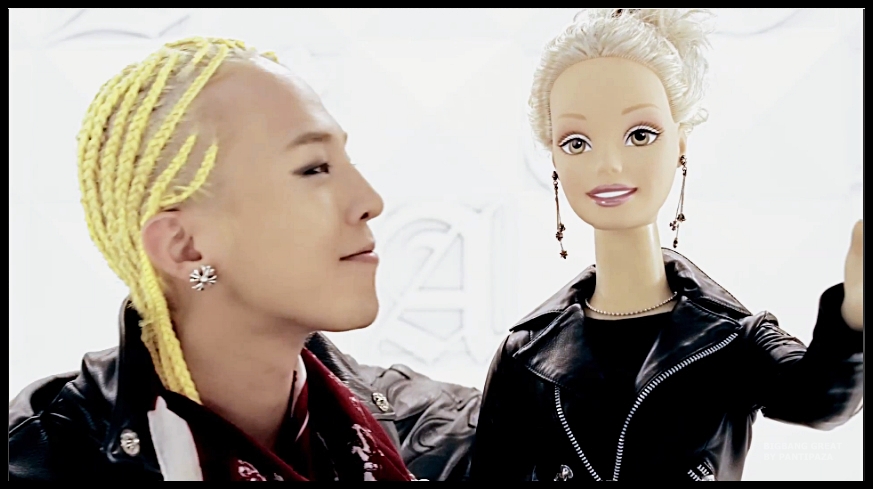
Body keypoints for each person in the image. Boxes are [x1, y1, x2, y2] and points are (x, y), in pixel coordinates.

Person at [8, 36, 480, 482]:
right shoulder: (41, 459)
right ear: (184, 246)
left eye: (346, 162)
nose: (370, 201)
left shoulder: (432, 432)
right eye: (314, 168)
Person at [469, 8, 863, 482]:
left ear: (680, 143)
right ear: (553, 154)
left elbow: (820, 399)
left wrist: (853, 318)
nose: (609, 165)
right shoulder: (526, 354)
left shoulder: (730, 338)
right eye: (576, 142)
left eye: (640, 135)